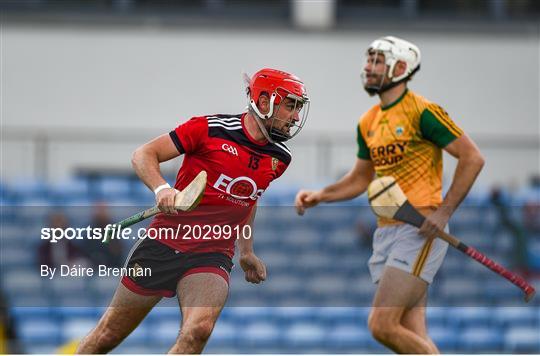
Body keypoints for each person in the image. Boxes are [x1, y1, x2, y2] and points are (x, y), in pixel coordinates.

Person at [76, 68, 310, 353]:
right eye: (290, 106)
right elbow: (143, 155)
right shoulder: (208, 129)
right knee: (107, 335)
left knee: (199, 330)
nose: (296, 117)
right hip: (163, 245)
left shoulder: (279, 158)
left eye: (298, 108)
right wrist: (162, 189)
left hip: (211, 256)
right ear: (264, 102)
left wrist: (246, 251)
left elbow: (249, 197)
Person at [295, 36, 484, 354]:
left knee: (381, 325)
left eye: (377, 61)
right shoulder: (368, 121)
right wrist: (321, 195)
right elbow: (360, 178)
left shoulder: (423, 112)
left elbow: (472, 157)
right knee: (413, 333)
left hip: (420, 228)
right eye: (368, 61)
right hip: (386, 232)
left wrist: (443, 212)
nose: (368, 68)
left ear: (400, 67)